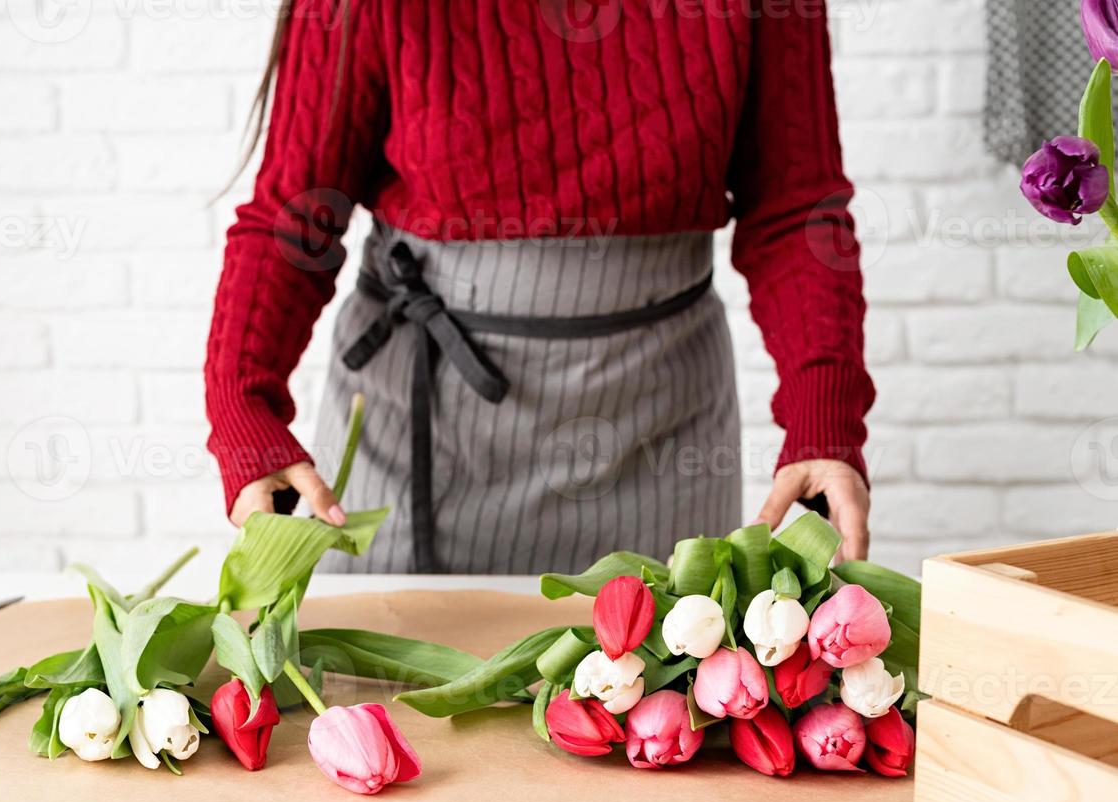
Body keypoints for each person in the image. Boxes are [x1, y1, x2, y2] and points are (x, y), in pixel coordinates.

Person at [204, 0, 873, 573]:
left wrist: (822, 425)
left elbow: (794, 210)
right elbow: (292, 216)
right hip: (423, 431)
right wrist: (242, 405)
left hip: (662, 429)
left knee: (661, 701)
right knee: (398, 709)